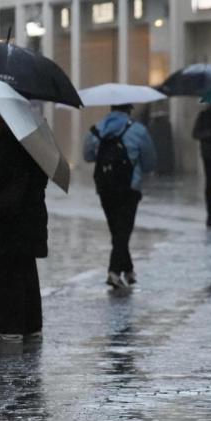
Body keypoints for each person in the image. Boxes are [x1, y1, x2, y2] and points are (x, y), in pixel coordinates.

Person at [0, 107, 50, 342]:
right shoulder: (31, 133)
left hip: (10, 216)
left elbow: (3, 172)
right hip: (23, 215)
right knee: (23, 270)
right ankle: (29, 324)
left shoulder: (13, 139)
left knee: (9, 271)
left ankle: (12, 327)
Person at [84, 104, 157, 290]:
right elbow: (149, 162)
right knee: (123, 230)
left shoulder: (96, 129)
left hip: (104, 186)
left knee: (117, 230)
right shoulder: (138, 130)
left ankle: (129, 270)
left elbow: (87, 156)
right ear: (129, 110)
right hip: (130, 187)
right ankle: (114, 271)